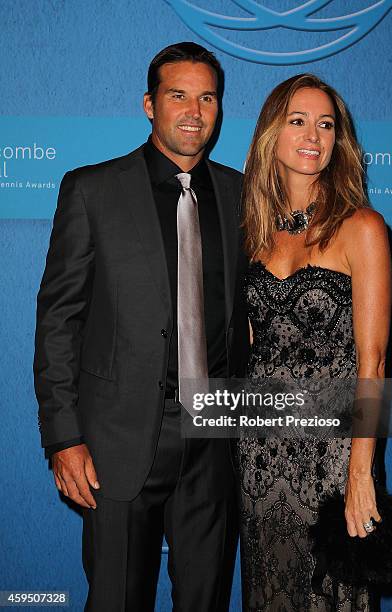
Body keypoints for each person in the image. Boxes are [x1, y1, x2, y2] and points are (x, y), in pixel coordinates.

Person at [33, 42, 249, 611]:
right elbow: (59, 319)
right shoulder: (92, 190)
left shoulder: (239, 194)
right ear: (149, 104)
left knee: (204, 600)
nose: (195, 112)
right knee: (116, 601)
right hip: (117, 443)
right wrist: (64, 436)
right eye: (179, 96)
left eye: (208, 98)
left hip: (215, 442)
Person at [237, 74, 391, 610]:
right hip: (260, 456)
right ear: (270, 136)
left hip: (332, 457)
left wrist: (361, 472)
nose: (313, 135)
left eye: (326, 124)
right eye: (297, 121)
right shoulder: (253, 229)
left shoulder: (362, 228)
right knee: (269, 592)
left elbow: (372, 363)